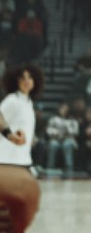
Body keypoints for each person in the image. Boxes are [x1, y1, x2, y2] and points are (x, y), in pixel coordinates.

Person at [0, 65, 42, 233]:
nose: (26, 81)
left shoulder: (28, 103)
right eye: (22, 77)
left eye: (29, 77)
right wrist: (10, 135)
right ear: (16, 81)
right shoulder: (12, 100)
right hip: (6, 162)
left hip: (23, 162)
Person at [45, 102, 78, 177]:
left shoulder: (72, 120)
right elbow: (48, 130)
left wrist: (68, 130)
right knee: (53, 145)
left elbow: (75, 132)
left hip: (68, 139)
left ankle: (69, 168)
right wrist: (56, 132)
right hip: (56, 139)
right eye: (62, 109)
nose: (64, 111)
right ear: (59, 109)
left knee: (67, 145)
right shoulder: (53, 119)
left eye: (66, 109)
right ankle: (50, 167)